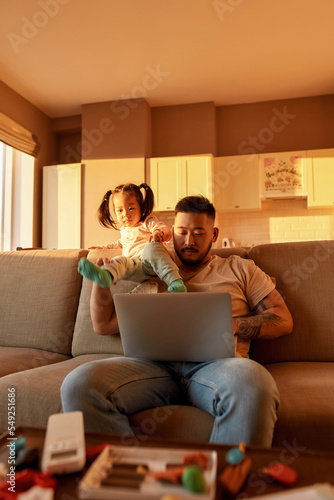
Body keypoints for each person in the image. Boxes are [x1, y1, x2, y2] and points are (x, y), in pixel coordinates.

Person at [61, 195, 293, 446]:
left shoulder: (240, 268)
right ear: (172, 232)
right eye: (181, 232)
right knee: (79, 384)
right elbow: (102, 325)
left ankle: (225, 479)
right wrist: (101, 283)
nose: (188, 241)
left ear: (214, 234)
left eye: (198, 233)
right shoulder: (153, 266)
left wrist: (236, 326)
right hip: (152, 367)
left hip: (218, 367)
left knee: (255, 385)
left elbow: (282, 318)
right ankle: (125, 471)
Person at [78, 182, 186, 292]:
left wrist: (159, 233)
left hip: (154, 261)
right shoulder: (124, 231)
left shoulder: (148, 222)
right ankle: (107, 275)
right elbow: (117, 244)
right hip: (137, 267)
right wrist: (101, 248)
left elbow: (166, 229)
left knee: (151, 248)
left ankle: (175, 282)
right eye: (120, 210)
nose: (125, 214)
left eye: (131, 208)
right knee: (121, 261)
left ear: (141, 207)